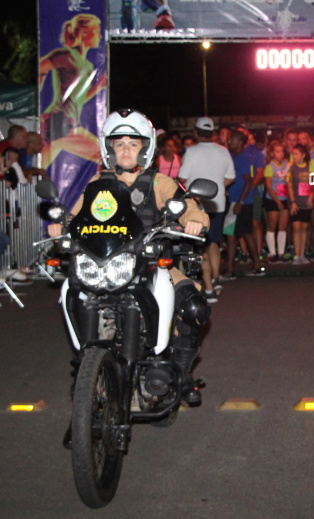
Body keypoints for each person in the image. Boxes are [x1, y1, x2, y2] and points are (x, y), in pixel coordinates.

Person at [48, 109, 209, 406]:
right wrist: (61, 226)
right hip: (104, 265)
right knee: (71, 289)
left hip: (151, 264)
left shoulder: (159, 182)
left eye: (132, 144)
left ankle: (182, 372)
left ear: (145, 148)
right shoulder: (98, 183)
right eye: (119, 144)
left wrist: (194, 220)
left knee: (194, 305)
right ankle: (86, 377)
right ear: (108, 148)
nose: (125, 150)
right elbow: (75, 216)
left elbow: (188, 206)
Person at [177, 117, 235, 303]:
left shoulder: (192, 151)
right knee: (214, 242)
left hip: (197, 204)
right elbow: (230, 177)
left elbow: (182, 178)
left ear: (196, 132)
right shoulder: (223, 151)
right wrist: (217, 185)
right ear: (213, 133)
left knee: (200, 245)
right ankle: (216, 279)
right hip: (217, 202)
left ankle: (209, 287)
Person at [38, 13, 108, 167]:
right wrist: (38, 93)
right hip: (59, 121)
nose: (100, 36)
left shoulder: (88, 65)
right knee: (104, 156)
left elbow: (78, 98)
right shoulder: (65, 55)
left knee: (39, 168)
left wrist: (98, 87)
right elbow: (41, 68)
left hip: (60, 122)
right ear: (85, 33)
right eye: (96, 31)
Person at [225, 130, 265, 277]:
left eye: (232, 139)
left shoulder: (242, 158)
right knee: (242, 234)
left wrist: (240, 202)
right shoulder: (235, 156)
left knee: (233, 234)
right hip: (237, 200)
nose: (229, 142)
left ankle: (231, 269)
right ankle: (254, 266)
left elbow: (248, 182)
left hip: (241, 202)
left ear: (240, 142)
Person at [286, 144, 314, 264]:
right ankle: (297, 254)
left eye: (297, 154)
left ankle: (302, 254)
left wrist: (312, 196)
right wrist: (293, 202)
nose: (294, 156)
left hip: (306, 201)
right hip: (296, 202)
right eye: (293, 154)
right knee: (296, 227)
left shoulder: (310, 165)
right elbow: (289, 185)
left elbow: (313, 182)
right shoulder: (291, 167)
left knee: (304, 228)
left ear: (303, 155)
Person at [263, 140, 290, 263]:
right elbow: (269, 187)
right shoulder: (269, 167)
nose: (281, 154)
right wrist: (278, 201)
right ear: (272, 153)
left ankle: (281, 253)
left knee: (283, 227)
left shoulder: (286, 164)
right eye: (278, 152)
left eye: (282, 151)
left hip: (285, 198)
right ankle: (273, 253)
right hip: (272, 199)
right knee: (272, 226)